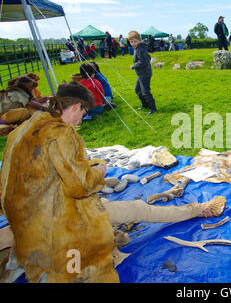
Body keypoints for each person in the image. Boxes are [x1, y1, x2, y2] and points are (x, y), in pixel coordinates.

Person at [0, 81, 119, 282]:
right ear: (75, 107)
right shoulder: (62, 133)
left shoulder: (30, 123)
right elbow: (80, 186)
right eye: (83, 112)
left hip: (14, 213)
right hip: (42, 225)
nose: (82, 118)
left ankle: (19, 260)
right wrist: (98, 172)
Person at [128, 30, 157, 116]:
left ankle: (153, 108)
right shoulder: (137, 48)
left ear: (139, 40)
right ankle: (145, 105)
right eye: (131, 42)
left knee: (145, 92)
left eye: (135, 41)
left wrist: (134, 65)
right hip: (140, 74)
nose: (133, 43)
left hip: (145, 73)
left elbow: (144, 61)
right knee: (137, 90)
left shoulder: (141, 49)